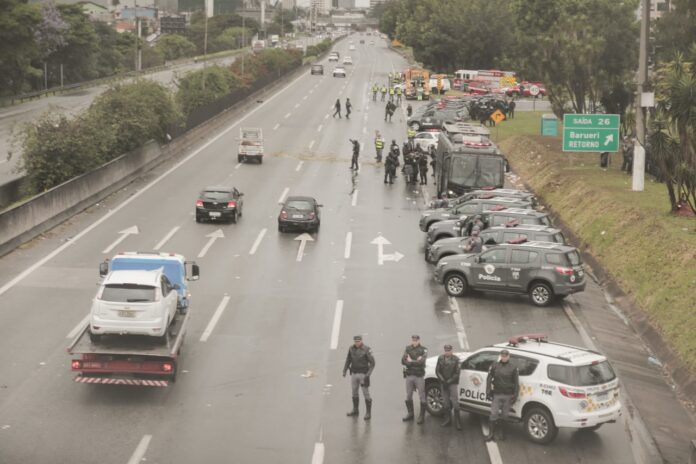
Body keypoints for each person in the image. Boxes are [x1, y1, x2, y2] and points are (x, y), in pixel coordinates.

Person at [485, 349, 519, 441]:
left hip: (508, 396)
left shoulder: (513, 367)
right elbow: (489, 379)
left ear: (509, 356)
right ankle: (491, 434)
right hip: (497, 394)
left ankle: (502, 433)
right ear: (500, 356)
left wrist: (515, 395)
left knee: (505, 415)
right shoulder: (494, 365)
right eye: (502, 356)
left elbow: (516, 383)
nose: (504, 358)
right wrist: (488, 392)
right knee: (493, 414)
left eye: (505, 356)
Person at [343, 335, 376, 420]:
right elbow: (348, 360)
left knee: (366, 393)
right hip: (354, 373)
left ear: (361, 341)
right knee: (354, 392)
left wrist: (368, 375)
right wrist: (345, 370)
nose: (357, 343)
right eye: (355, 341)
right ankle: (355, 410)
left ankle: (368, 413)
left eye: (358, 341)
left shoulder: (367, 349)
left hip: (363, 374)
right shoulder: (351, 348)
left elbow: (372, 363)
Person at [402, 335, 428, 424]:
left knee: (422, 396)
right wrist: (415, 361)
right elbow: (403, 361)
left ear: (419, 340)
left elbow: (422, 362)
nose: (414, 341)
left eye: (416, 340)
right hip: (409, 375)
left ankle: (421, 416)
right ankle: (410, 413)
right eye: (413, 340)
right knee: (408, 395)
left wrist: (410, 361)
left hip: (419, 376)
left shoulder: (424, 349)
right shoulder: (407, 348)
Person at [436, 344, 461, 430]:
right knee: (446, 402)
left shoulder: (456, 359)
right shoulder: (440, 358)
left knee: (455, 402)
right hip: (443, 383)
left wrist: (449, 381)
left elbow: (457, 373)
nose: (447, 352)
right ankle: (448, 419)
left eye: (449, 350)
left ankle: (458, 421)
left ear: (451, 350)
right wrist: (443, 380)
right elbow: (437, 371)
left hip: (452, 383)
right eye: (446, 350)